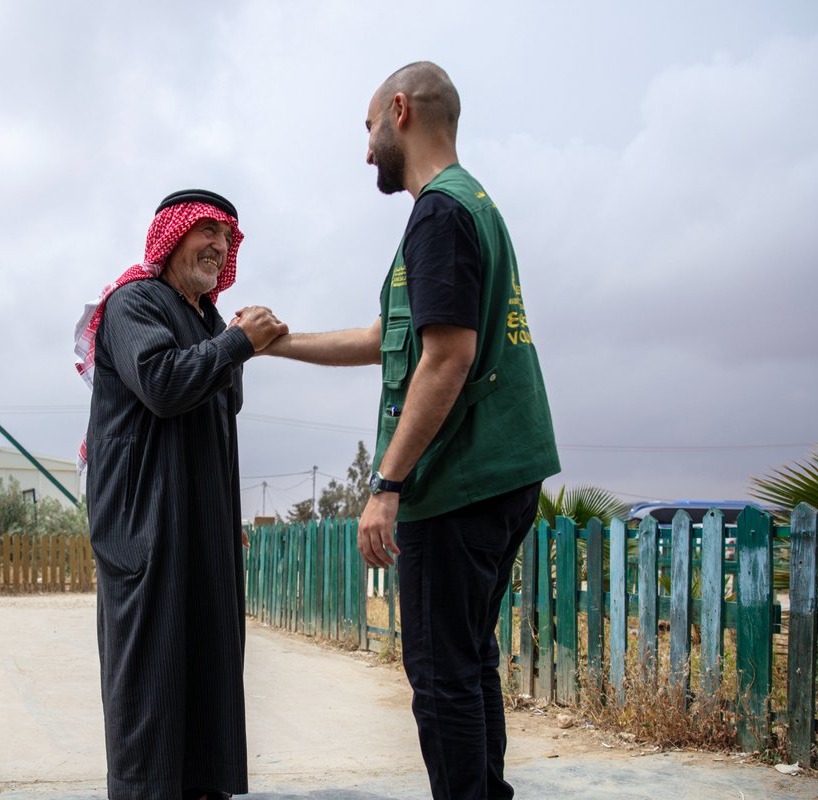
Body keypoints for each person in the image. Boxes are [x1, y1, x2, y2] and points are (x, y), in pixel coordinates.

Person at [263, 62, 560, 799]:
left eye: (368, 129)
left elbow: (447, 357)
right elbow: (381, 337)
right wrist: (278, 341)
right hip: (501, 472)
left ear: (400, 111)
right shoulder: (469, 205)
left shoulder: (440, 213)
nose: (366, 151)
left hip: (458, 482)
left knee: (439, 674)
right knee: (467, 662)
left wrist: (386, 484)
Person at [73, 189, 287, 800]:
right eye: (208, 231)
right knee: (151, 689)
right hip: (148, 534)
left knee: (208, 680)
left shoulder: (208, 321)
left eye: (228, 236)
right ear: (172, 236)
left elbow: (220, 406)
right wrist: (240, 343)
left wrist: (231, 342)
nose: (219, 246)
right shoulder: (134, 302)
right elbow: (165, 385)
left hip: (203, 530)